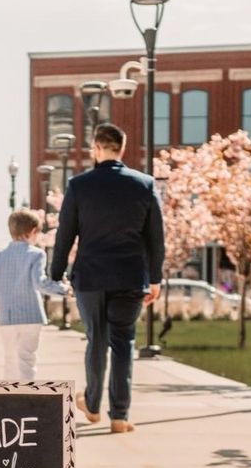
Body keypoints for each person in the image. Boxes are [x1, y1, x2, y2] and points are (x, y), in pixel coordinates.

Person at [51, 123, 165, 434]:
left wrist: (56, 271)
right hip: (129, 277)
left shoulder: (78, 186)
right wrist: (155, 278)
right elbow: (156, 238)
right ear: (122, 149)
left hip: (90, 276)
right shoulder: (145, 185)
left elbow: (65, 234)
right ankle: (119, 416)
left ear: (96, 149)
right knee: (123, 343)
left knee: (96, 341)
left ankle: (91, 402)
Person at [0, 208, 69, 380]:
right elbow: (40, 283)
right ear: (32, 231)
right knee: (27, 359)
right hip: (30, 316)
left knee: (10, 359)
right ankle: (27, 397)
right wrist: (63, 289)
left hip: (7, 318)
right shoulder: (36, 255)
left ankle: (10, 398)